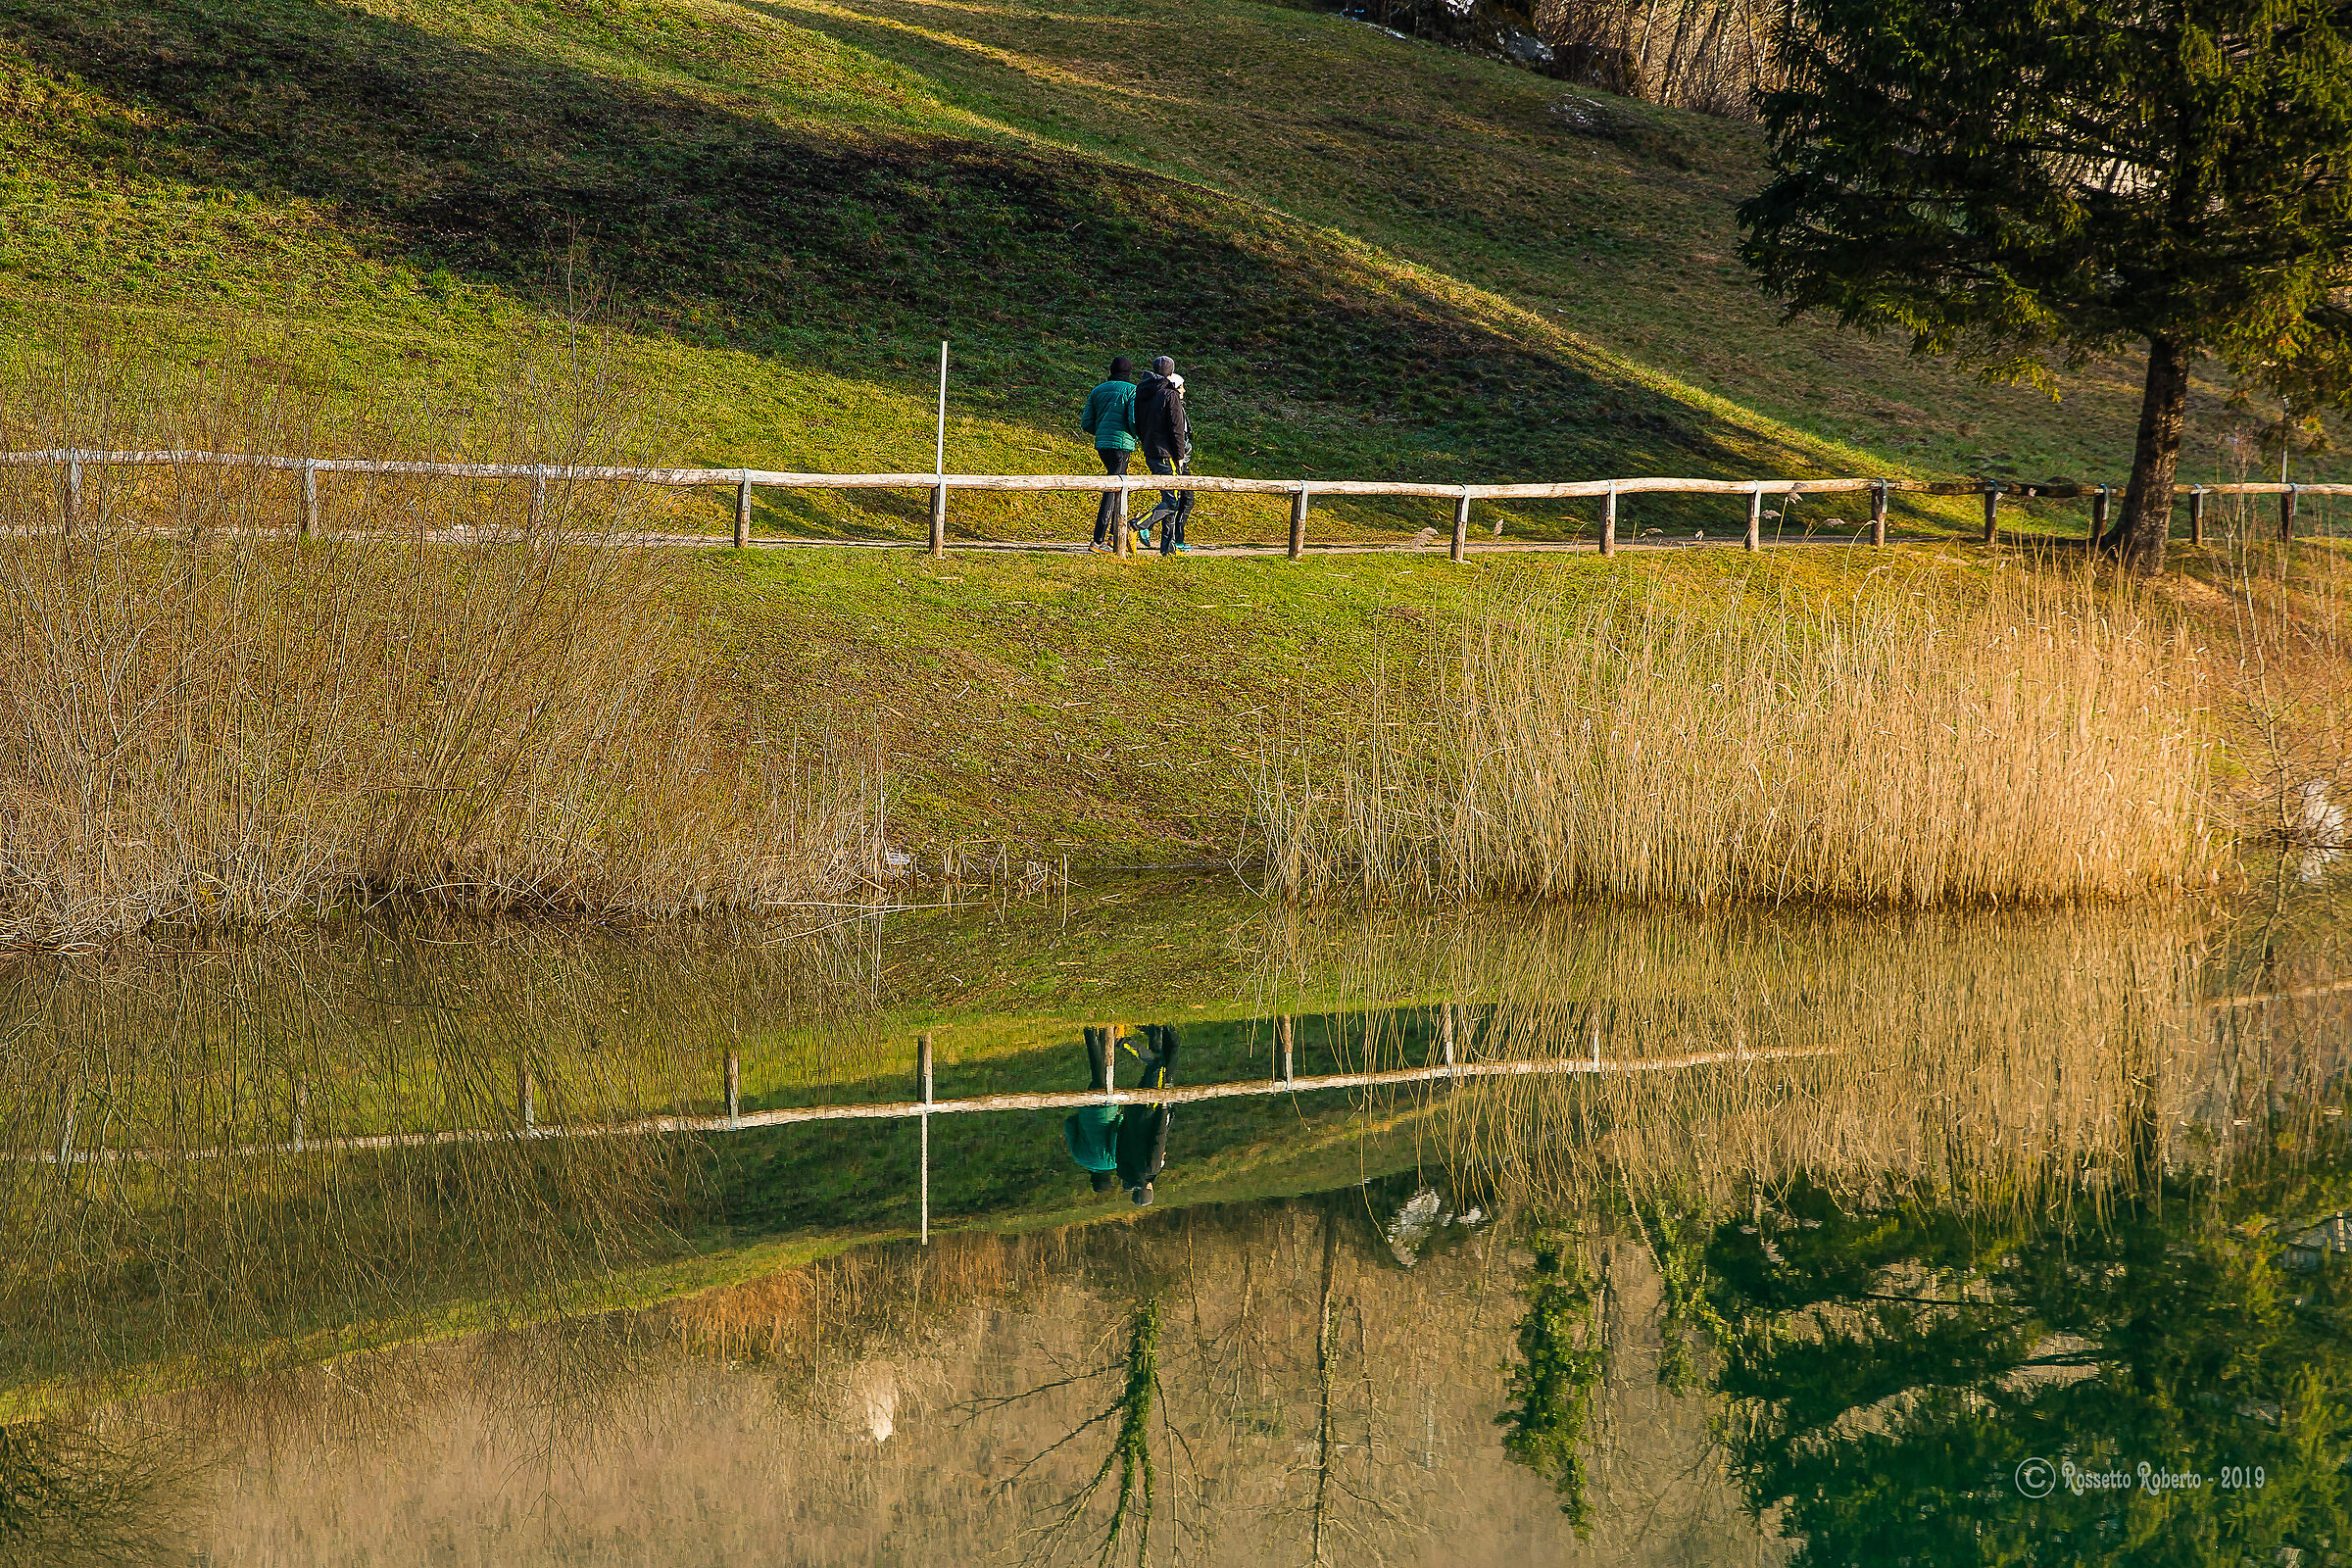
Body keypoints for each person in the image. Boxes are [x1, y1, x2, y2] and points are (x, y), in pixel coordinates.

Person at [1060, 1024, 1179, 1203]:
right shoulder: (1117, 1168)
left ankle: (1119, 1040)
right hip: (1108, 1112)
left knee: (1158, 1066)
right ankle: (1154, 1032)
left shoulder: (1148, 1169)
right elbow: (1116, 1136)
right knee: (1154, 1069)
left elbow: (1158, 1137)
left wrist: (1162, 1110)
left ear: (1148, 1190)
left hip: (1144, 1111)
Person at [1132, 356, 1195, 555]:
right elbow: (1176, 428)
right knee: (1172, 501)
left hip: (1150, 450)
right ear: (1171, 372)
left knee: (1169, 496)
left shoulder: (1142, 392)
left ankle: (1168, 547)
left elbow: (1138, 422)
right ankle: (1136, 526)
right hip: (1167, 453)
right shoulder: (1170, 394)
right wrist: (1180, 454)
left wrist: (1146, 442)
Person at [1079, 358, 1139, 553]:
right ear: (1129, 372)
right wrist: (1136, 436)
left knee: (1114, 487)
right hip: (1122, 445)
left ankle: (1113, 536)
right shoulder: (1132, 391)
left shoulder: (1098, 390)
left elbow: (1087, 422)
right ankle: (1099, 539)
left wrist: (1103, 432)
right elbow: (1132, 419)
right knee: (1113, 490)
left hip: (1103, 445)